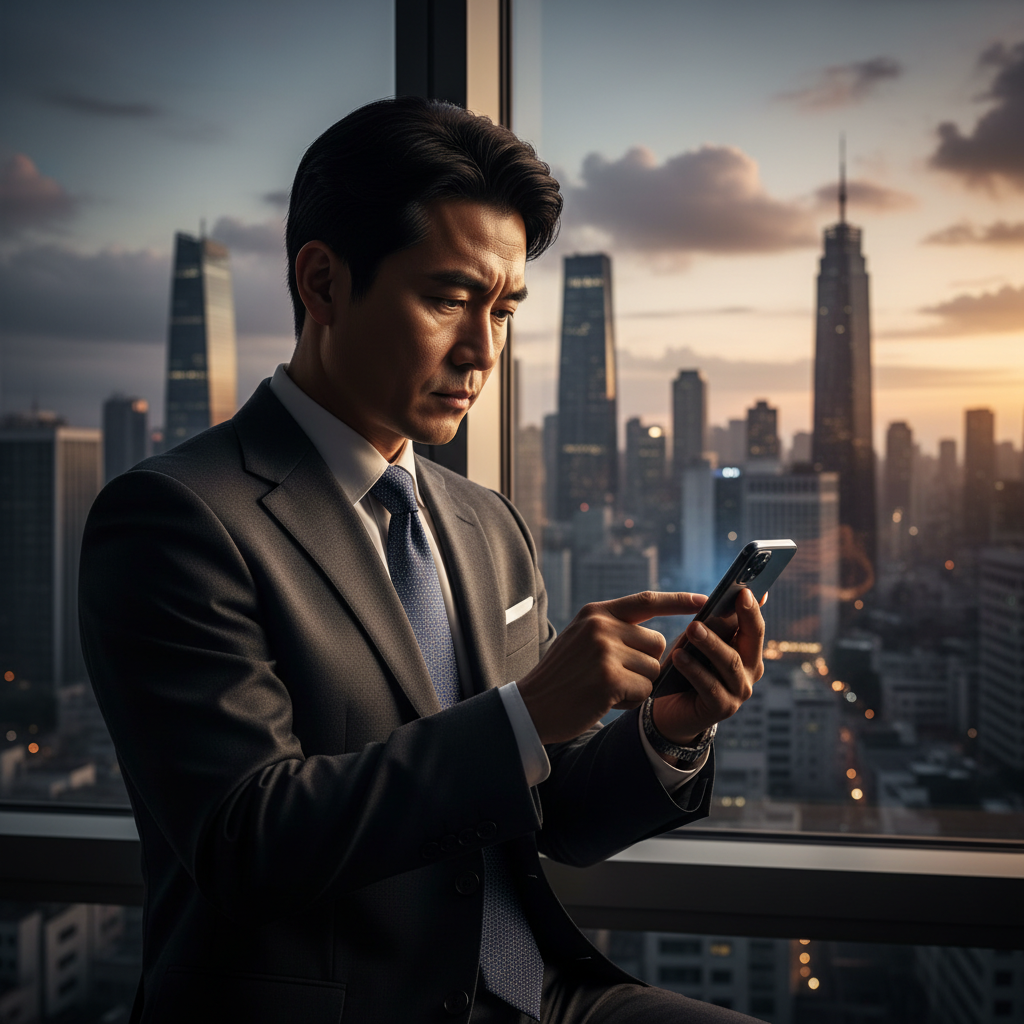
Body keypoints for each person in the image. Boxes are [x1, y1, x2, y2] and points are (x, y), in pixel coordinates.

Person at [79, 97, 766, 1024]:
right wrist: (525, 718)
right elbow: (247, 842)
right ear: (321, 283)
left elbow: (554, 814)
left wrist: (670, 732)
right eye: (448, 298)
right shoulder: (175, 518)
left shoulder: (488, 526)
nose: (482, 349)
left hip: (547, 996)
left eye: (506, 307)